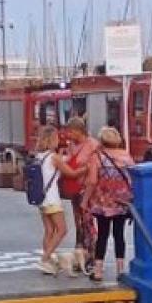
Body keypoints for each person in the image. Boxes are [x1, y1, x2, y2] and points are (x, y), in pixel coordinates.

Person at [89, 127, 136, 282]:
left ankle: (98, 271)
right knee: (119, 235)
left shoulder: (97, 157)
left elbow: (92, 181)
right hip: (121, 202)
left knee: (102, 235)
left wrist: (85, 201)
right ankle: (120, 270)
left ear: (102, 141)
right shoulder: (127, 157)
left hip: (103, 202)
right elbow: (132, 179)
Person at [56, 117, 101, 277]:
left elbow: (94, 167)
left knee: (88, 222)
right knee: (78, 222)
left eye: (70, 131)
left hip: (87, 189)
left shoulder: (92, 145)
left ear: (78, 131)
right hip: (75, 189)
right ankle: (80, 253)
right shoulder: (71, 146)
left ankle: (92, 255)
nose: (68, 135)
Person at [33, 126, 68, 274]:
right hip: (52, 198)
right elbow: (70, 172)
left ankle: (47, 260)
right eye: (57, 138)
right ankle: (45, 259)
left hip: (41, 198)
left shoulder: (39, 156)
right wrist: (85, 168)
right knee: (61, 230)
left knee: (49, 230)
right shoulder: (54, 157)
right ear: (52, 139)